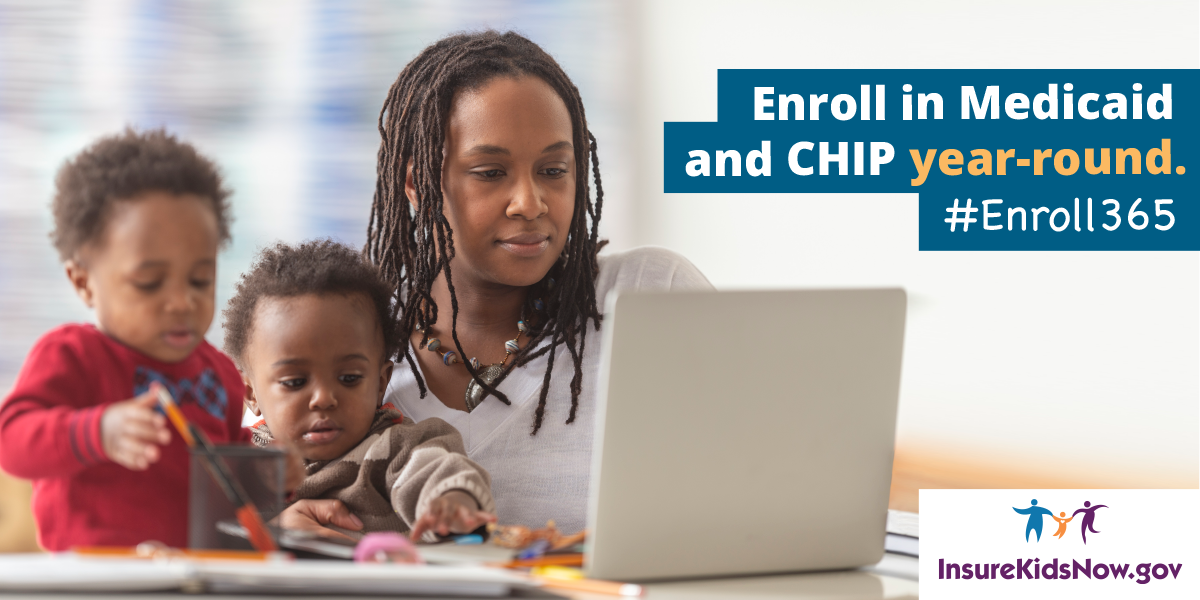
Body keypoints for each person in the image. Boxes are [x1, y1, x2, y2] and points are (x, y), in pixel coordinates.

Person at [351, 30, 714, 532]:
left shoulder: (650, 297)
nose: (530, 202)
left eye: (552, 169)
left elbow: (771, 478)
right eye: (491, 172)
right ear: (417, 183)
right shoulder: (351, 348)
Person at [0, 129, 248, 550]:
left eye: (200, 279)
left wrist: (274, 475)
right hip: (95, 579)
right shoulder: (72, 355)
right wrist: (97, 431)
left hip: (198, 575)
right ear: (84, 282)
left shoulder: (220, 373)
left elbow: (234, 470)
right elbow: (11, 440)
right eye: (149, 283)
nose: (181, 302)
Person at [223, 240, 495, 541]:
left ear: (380, 383)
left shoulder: (396, 448)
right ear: (249, 394)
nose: (324, 398)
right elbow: (201, 534)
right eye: (295, 382)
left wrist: (453, 503)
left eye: (349, 378)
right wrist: (269, 531)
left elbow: (438, 472)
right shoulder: (241, 464)